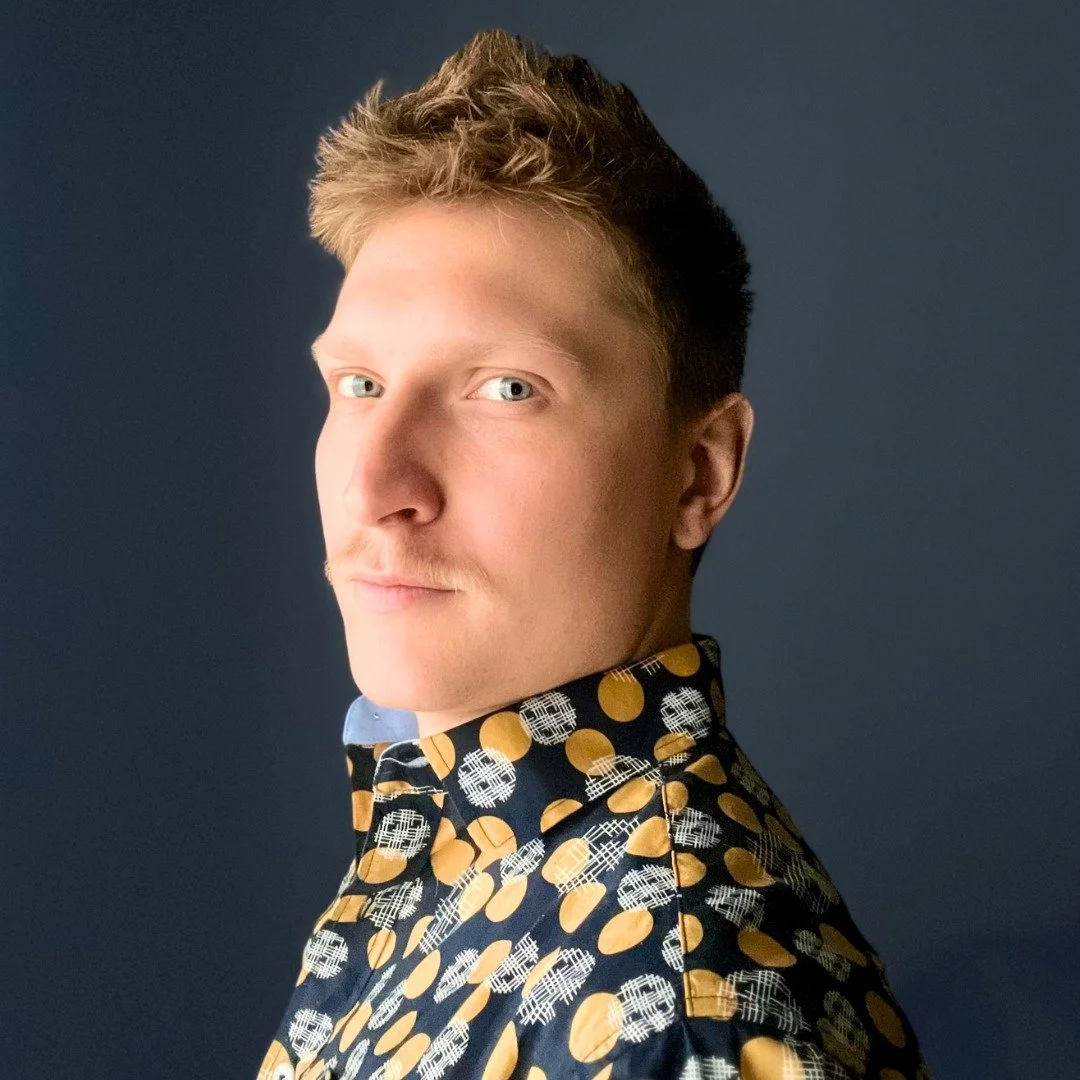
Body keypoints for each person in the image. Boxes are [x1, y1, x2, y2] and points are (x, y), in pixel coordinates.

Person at [257, 27, 931, 1080]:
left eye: (507, 390)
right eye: (360, 385)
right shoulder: (458, 857)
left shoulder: (677, 1012)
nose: (376, 487)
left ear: (700, 473)